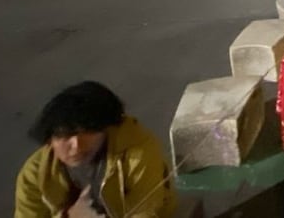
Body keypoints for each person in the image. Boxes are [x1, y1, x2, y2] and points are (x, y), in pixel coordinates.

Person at [15, 81, 176, 218]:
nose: (76, 145)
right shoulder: (34, 174)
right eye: (65, 135)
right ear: (49, 140)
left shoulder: (137, 152)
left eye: (88, 132)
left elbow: (145, 210)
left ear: (106, 130)